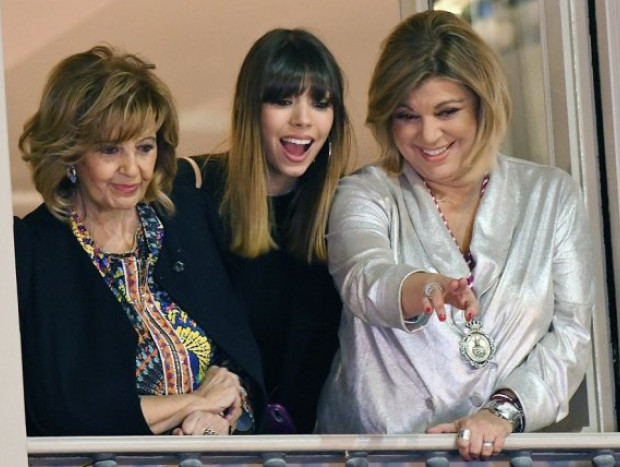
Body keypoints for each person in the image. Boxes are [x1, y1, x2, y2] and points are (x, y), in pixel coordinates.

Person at [316, 10, 593, 461]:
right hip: (372, 454)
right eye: (407, 116)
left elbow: (571, 334)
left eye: (447, 111)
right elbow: (364, 278)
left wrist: (501, 413)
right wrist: (426, 286)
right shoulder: (366, 193)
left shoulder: (551, 196)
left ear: (484, 104)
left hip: (498, 454)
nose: (428, 134)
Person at [14, 44, 265, 436]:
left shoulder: (187, 218)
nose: (132, 169)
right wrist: (194, 402)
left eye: (144, 147)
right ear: (70, 154)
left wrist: (222, 411)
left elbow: (240, 356)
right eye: (110, 149)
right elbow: (64, 409)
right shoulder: (37, 250)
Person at [175, 28, 351, 433]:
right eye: (283, 100)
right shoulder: (190, 187)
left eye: (320, 103)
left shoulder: (348, 206)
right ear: (251, 108)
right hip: (204, 439)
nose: (303, 119)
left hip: (312, 448)